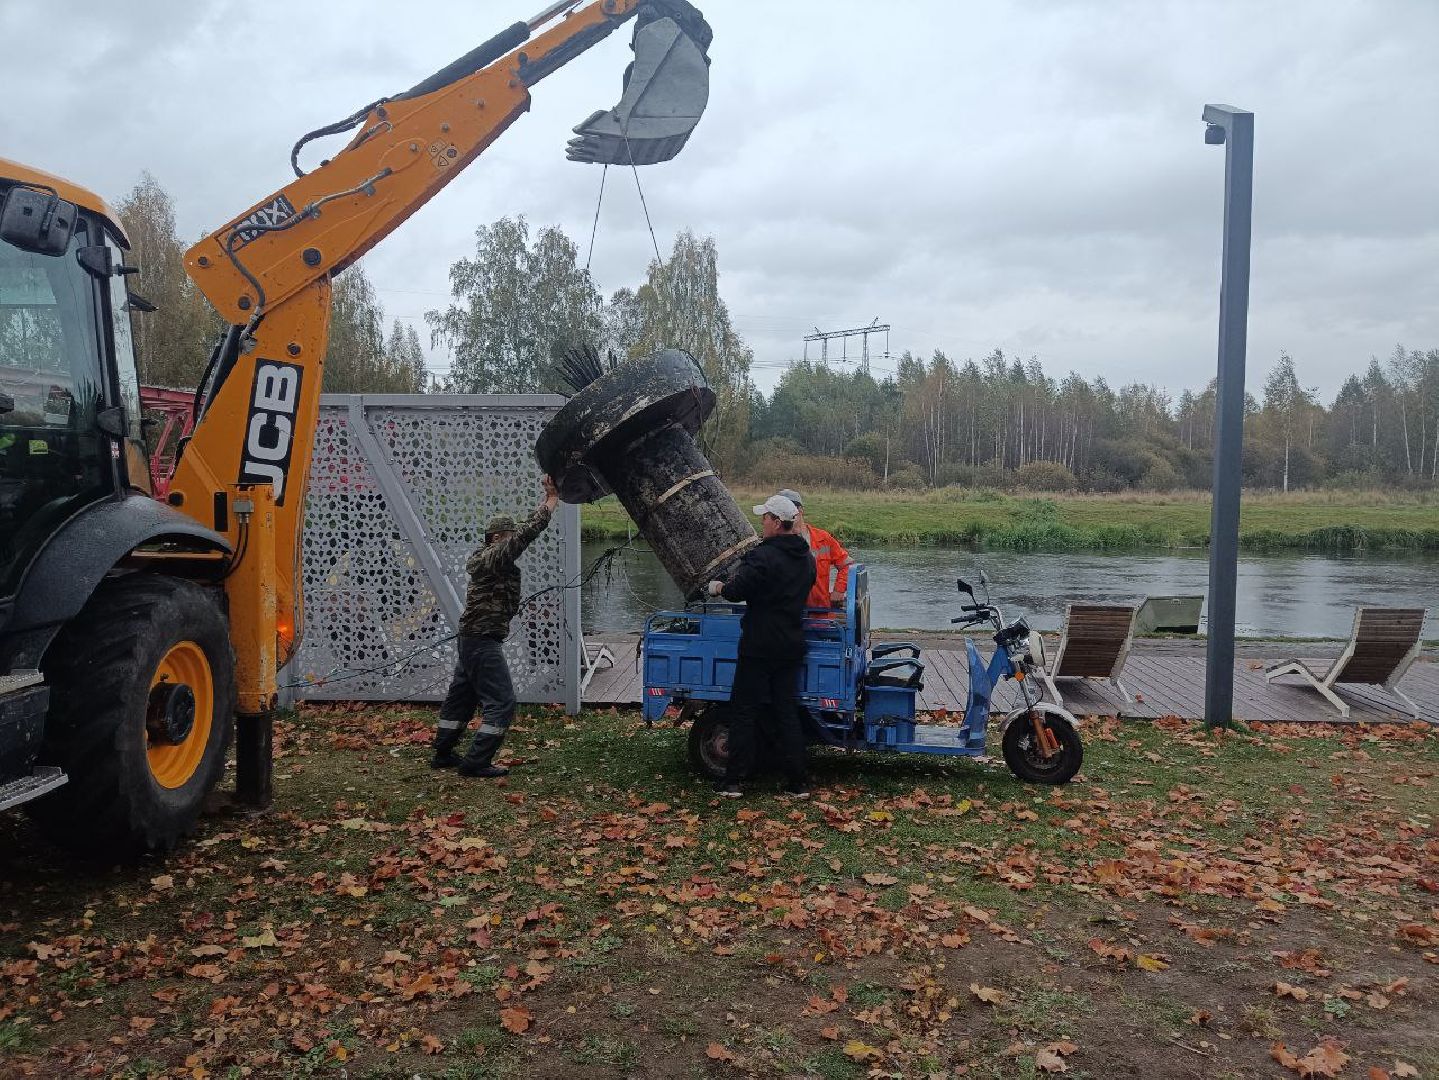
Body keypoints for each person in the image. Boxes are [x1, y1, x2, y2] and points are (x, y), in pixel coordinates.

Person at [431, 475, 560, 778]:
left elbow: (519, 535)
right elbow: (524, 536)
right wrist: (552, 501)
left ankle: (443, 752)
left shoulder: (488, 559)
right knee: (502, 703)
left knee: (461, 697)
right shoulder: (493, 558)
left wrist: (544, 501)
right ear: (496, 538)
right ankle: (476, 762)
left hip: (472, 639)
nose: (512, 540)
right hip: (482, 640)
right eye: (507, 536)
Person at [706, 494, 816, 799]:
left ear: (778, 523)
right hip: (790, 646)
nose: (762, 522)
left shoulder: (763, 557)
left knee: (743, 712)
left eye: (765, 517)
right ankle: (798, 783)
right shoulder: (806, 559)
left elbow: (737, 590)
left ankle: (733, 782)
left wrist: (719, 588)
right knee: (786, 712)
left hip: (758, 647)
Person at [779, 488, 852, 610]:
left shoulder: (823, 539)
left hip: (819, 613)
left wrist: (839, 590)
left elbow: (846, 565)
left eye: (788, 509)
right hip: (785, 614)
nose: (785, 514)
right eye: (781, 511)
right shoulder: (774, 542)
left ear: (800, 510)